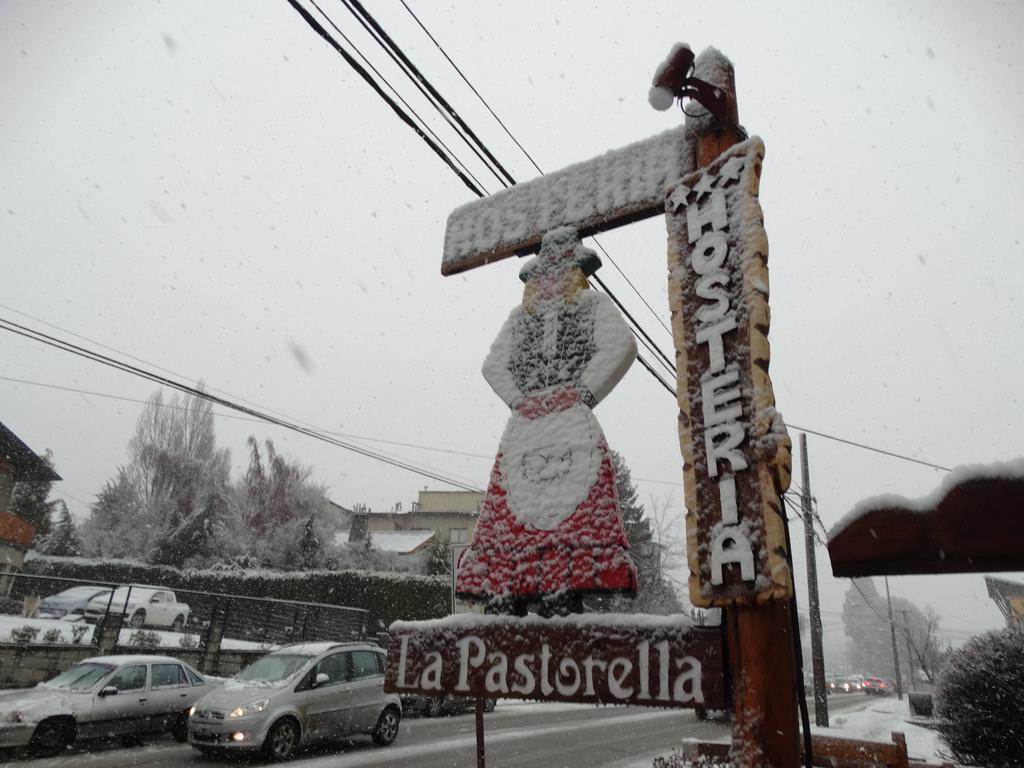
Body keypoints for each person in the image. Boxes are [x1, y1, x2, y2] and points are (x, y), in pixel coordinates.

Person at [455, 226, 638, 615]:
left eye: (561, 270)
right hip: (527, 429)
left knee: (573, 506)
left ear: (577, 272)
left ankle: (562, 592)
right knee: (514, 514)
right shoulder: (520, 320)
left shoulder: (593, 308)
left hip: (571, 424)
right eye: (544, 273)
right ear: (534, 278)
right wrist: (519, 400)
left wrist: (584, 391)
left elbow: (622, 344)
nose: (551, 279)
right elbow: (493, 365)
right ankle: (507, 592)